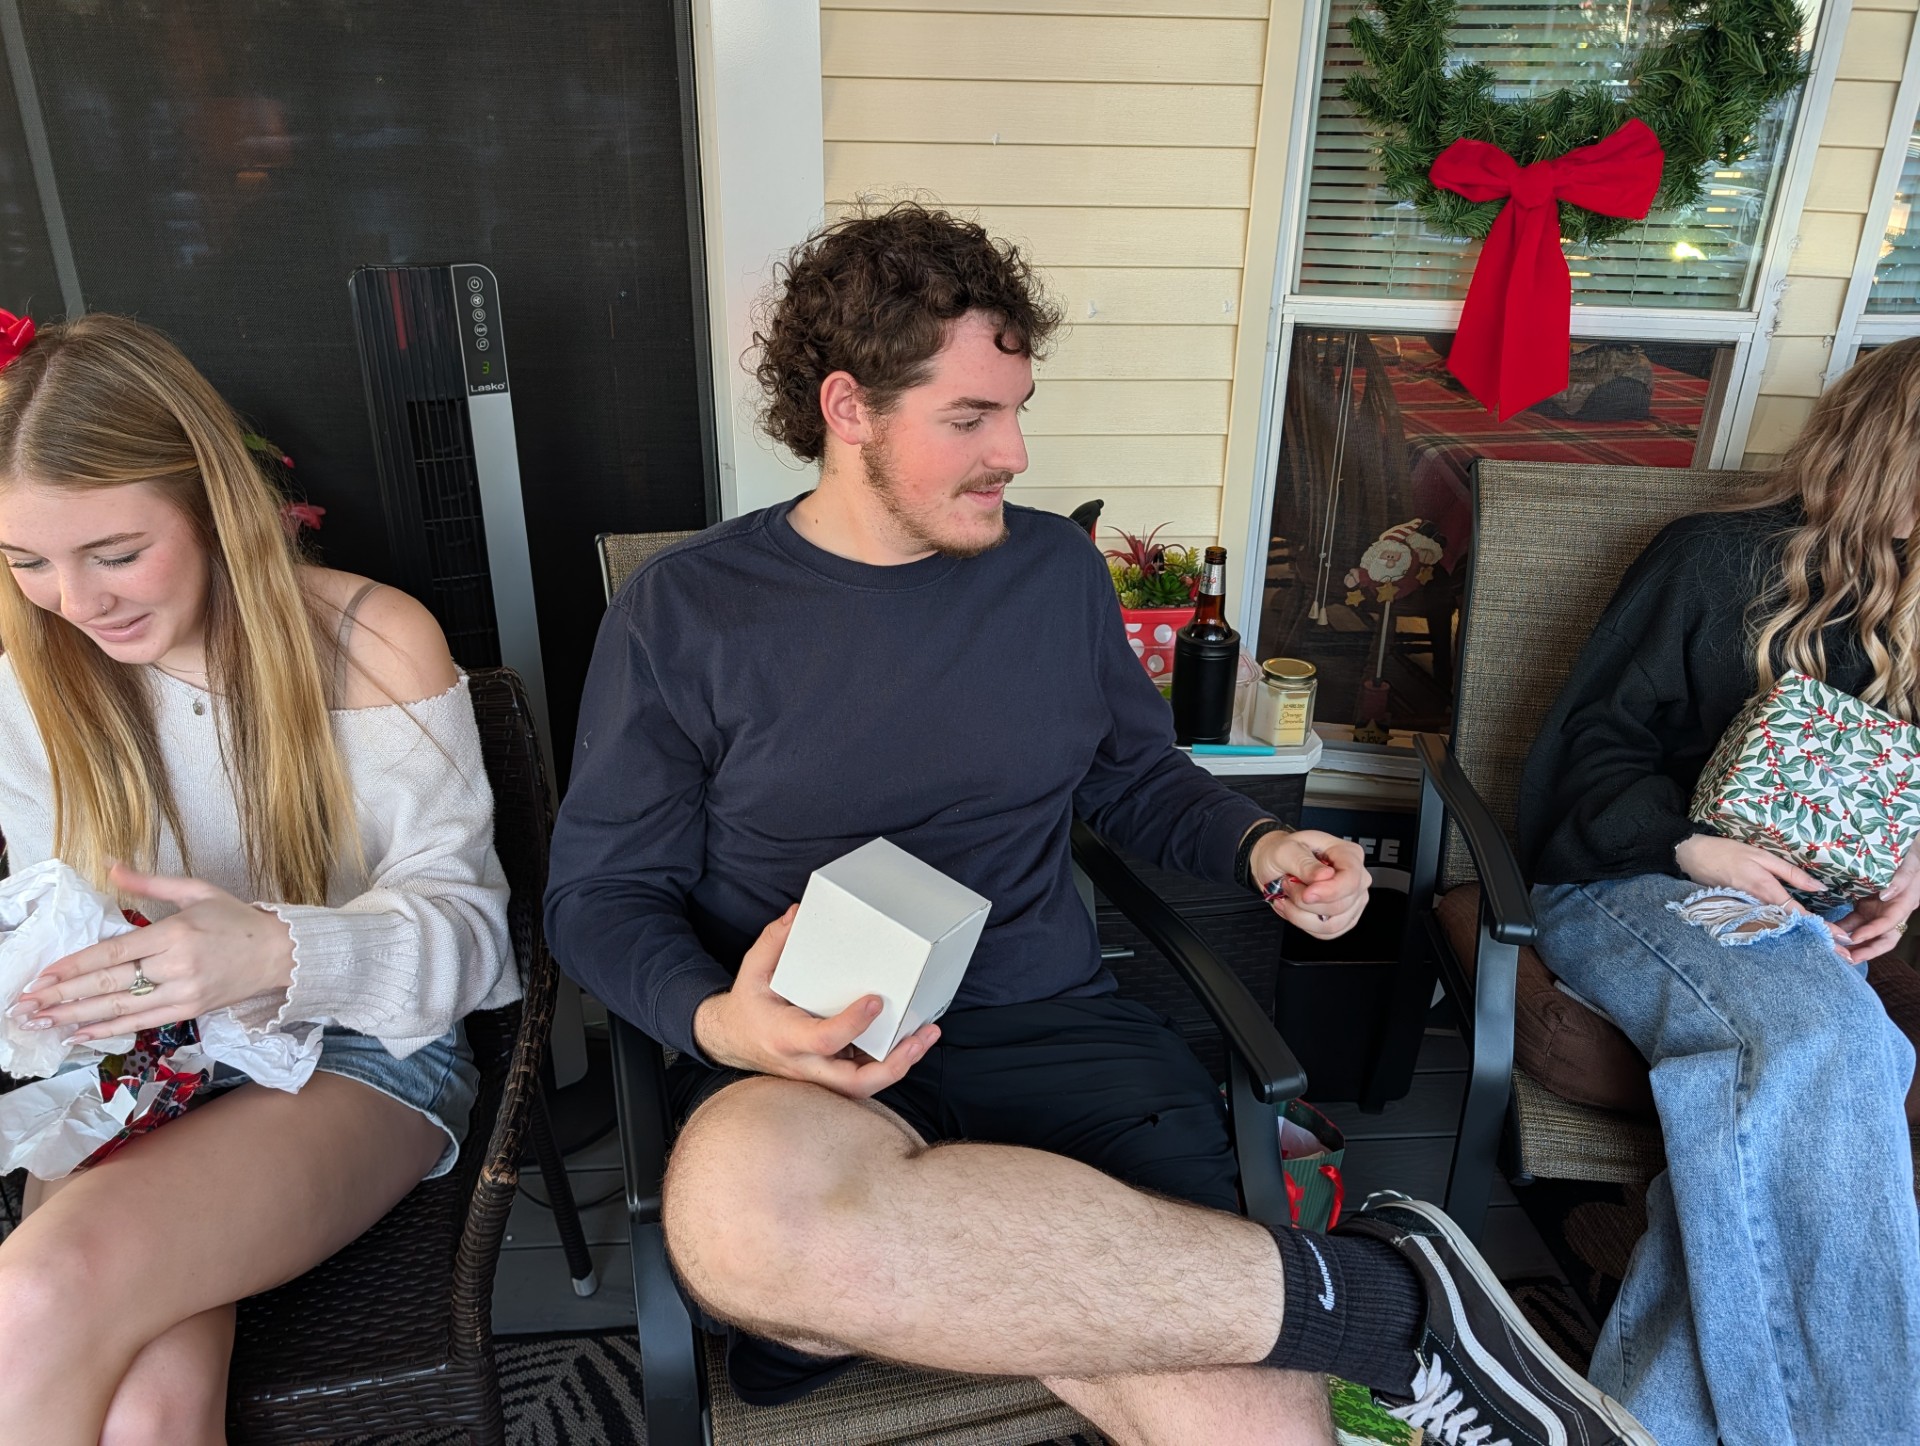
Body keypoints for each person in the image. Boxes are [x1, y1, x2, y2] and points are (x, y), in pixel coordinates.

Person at [546, 202, 1650, 1446]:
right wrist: (720, 1021)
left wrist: (1258, 845)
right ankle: (1385, 1302)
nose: (1015, 454)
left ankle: (1309, 1308)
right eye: (970, 418)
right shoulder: (685, 611)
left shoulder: (1051, 574)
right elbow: (598, 895)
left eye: (1019, 410)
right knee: (743, 1225)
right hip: (813, 1057)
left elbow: (1131, 776)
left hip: (1057, 1029)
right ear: (848, 408)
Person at [0, 312, 518, 1445]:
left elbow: (477, 949)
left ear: (209, 502)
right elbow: (63, 926)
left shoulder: (369, 639)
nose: (76, 603)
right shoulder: (30, 679)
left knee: (31, 1298)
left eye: (115, 553)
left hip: (362, 1052)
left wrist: (277, 951)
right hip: (140, 1067)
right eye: (26, 561)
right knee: (149, 1412)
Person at [1518, 336, 1920, 1445]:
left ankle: (1629, 1428)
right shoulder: (1710, 560)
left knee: (1834, 1061)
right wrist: (1699, 848)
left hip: (1808, 919)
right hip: (1636, 877)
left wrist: (1908, 871)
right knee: (1832, 1044)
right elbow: (1579, 759)